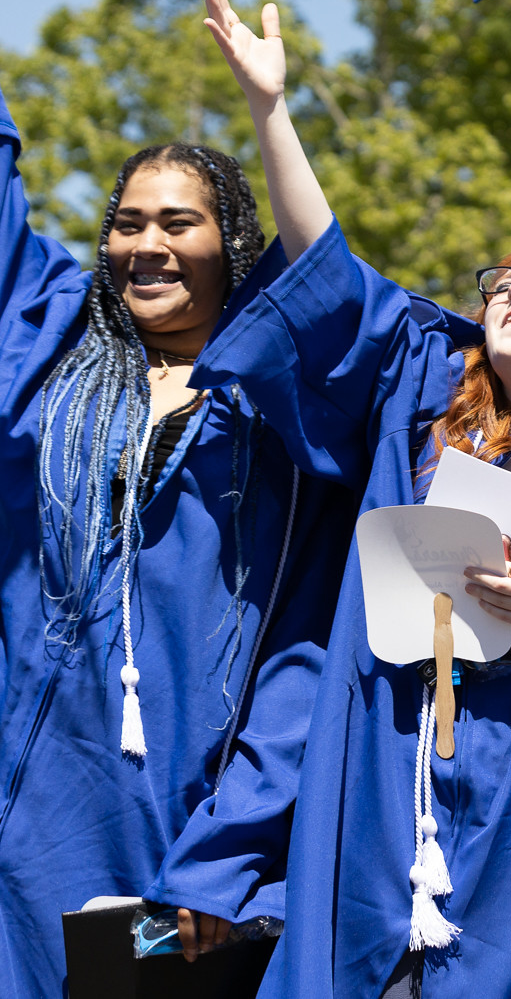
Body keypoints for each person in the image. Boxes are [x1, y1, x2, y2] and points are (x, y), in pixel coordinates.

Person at [191, 0, 511, 997]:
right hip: (392, 775)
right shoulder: (423, 414)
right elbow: (329, 282)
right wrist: (271, 111)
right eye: (501, 280)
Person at [0, 71, 353, 993]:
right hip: (24, 808)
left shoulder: (283, 415)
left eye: (178, 222)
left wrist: (228, 856)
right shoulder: (52, 364)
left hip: (176, 841)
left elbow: (305, 655)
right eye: (127, 222)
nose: (146, 244)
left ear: (231, 243)